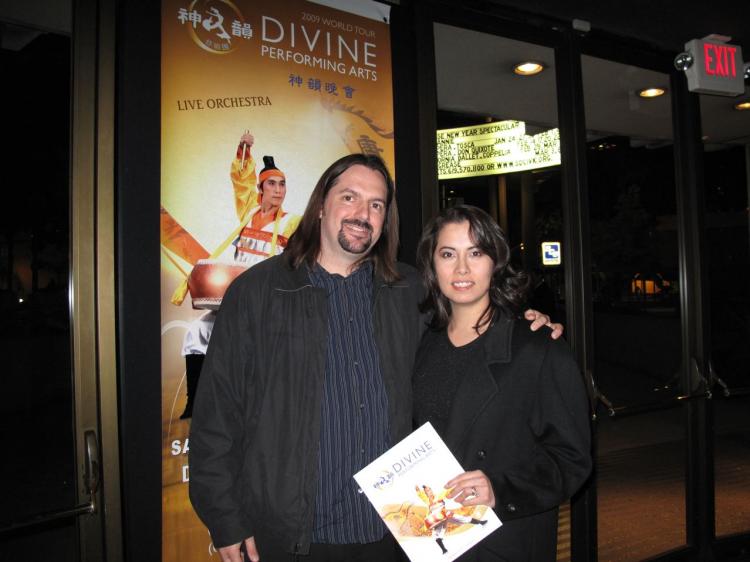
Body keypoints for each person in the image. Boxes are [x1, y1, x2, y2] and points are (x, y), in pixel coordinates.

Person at [188, 155, 562, 562]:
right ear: (320, 206)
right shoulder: (258, 293)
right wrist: (224, 518)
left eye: (376, 205)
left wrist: (522, 323)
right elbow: (217, 416)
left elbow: (471, 324)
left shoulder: (412, 292)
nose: (362, 213)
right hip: (294, 536)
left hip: (397, 532)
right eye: (349, 197)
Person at [413, 205, 592, 562]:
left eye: (475, 253)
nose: (461, 269)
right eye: (448, 254)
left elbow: (572, 459)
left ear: (495, 262)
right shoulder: (423, 341)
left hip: (501, 541)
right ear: (433, 265)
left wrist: (499, 488)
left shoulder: (537, 346)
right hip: (430, 539)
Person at [178, 132, 301, 418]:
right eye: (272, 183)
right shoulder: (248, 213)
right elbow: (241, 182)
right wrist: (244, 149)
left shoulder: (292, 222)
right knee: (197, 332)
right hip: (238, 293)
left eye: (283, 184)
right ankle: (195, 403)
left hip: (269, 300)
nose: (279, 190)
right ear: (261, 188)